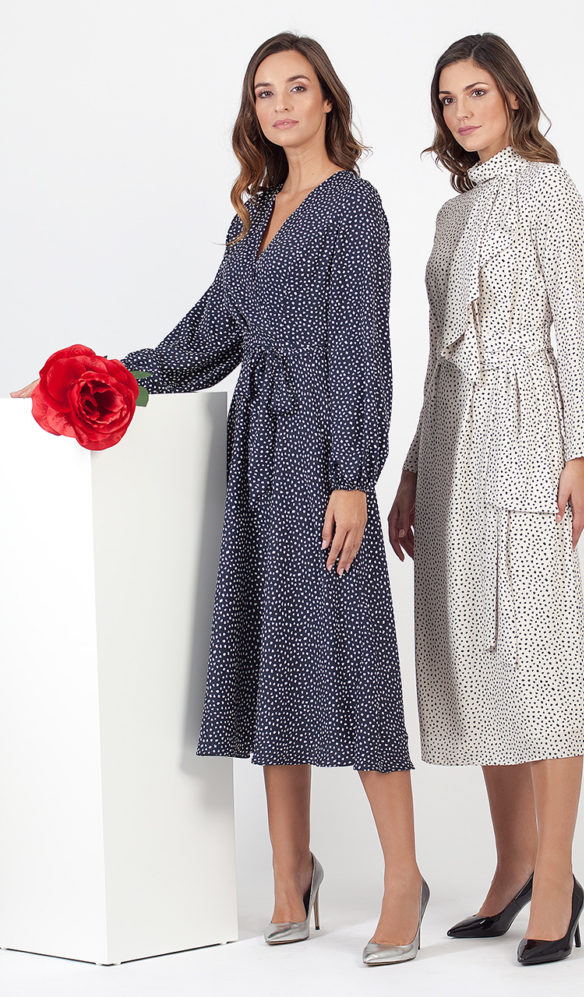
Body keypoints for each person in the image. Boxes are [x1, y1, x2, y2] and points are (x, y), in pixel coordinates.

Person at [12, 31, 428, 968]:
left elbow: (365, 346)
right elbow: (207, 335)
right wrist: (93, 379)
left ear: (328, 100)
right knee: (270, 656)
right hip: (257, 460)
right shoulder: (254, 212)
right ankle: (290, 875)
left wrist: (354, 473)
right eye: (264, 93)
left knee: (355, 662)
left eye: (297, 88)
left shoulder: (353, 206)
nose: (281, 105)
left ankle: (404, 880)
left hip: (322, 455)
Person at [388, 32, 584, 966]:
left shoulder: (549, 189)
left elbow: (571, 328)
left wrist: (578, 452)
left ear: (511, 95)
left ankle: (556, 875)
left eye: (476, 92)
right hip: (453, 444)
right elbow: (437, 356)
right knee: (479, 655)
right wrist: (412, 471)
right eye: (447, 98)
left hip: (525, 433)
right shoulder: (451, 212)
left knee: (539, 652)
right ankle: (513, 864)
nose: (461, 111)